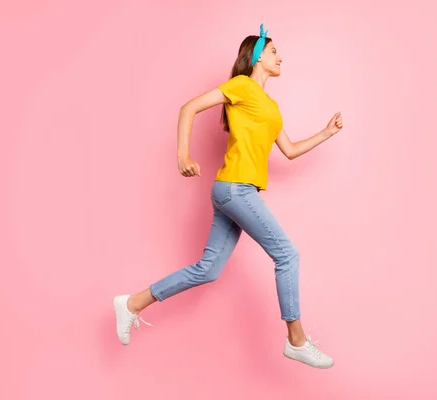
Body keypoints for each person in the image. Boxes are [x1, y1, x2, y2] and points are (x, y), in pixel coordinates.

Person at [113, 24, 343, 369]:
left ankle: (130, 304)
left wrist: (326, 132)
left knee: (208, 270)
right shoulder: (242, 87)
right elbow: (188, 108)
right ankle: (296, 340)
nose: (281, 57)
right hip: (235, 188)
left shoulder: (269, 105)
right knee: (287, 254)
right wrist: (182, 155)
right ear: (257, 56)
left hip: (234, 190)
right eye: (274, 51)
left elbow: (290, 150)